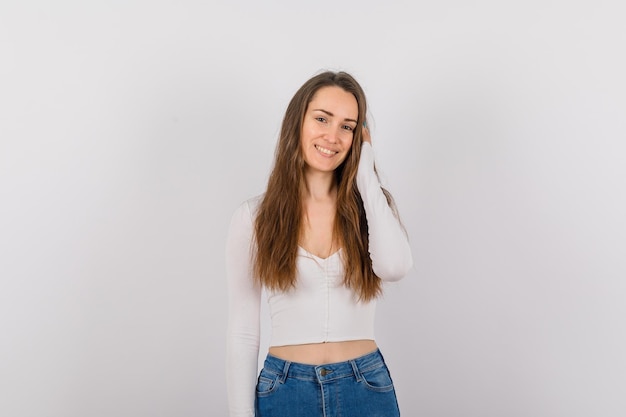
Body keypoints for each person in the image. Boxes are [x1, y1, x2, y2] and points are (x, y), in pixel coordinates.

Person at [226, 71, 413, 417]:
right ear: (298, 121)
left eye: (347, 126)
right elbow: (243, 329)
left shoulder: (370, 208)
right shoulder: (253, 218)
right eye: (322, 119)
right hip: (285, 390)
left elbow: (395, 267)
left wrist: (366, 177)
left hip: (365, 386)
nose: (333, 136)